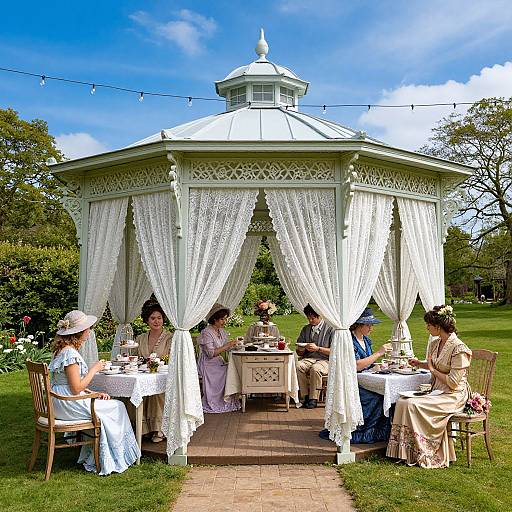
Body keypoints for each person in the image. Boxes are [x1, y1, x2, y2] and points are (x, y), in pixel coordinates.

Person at [48, 310, 140, 475]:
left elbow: (70, 385)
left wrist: (93, 393)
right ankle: (115, 455)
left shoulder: (61, 351)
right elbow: (76, 388)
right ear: (79, 333)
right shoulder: (70, 354)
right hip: (68, 403)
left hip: (60, 402)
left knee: (109, 404)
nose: (89, 332)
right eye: (87, 329)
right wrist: (94, 369)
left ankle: (102, 452)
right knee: (118, 406)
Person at [386, 305, 472, 468]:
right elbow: (437, 365)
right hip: (438, 391)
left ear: (438, 327)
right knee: (403, 401)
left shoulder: (459, 349)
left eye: (429, 325)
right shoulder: (435, 344)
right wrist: (421, 364)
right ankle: (404, 451)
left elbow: (453, 382)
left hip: (453, 395)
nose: (427, 328)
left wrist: (431, 369)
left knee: (411, 404)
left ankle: (424, 450)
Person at [319, 307, 391, 443]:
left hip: (365, 379)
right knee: (377, 396)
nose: (371, 328)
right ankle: (361, 430)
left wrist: (375, 366)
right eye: (369, 325)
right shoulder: (349, 341)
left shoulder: (366, 340)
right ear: (359, 325)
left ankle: (377, 430)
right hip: (351, 383)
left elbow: (366, 363)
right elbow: (356, 365)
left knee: (383, 393)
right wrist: (379, 353)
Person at [135, 300, 173, 443]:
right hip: (144, 375)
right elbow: (136, 358)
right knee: (136, 392)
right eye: (152, 318)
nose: (156, 321)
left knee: (157, 393)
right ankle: (142, 428)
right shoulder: (141, 338)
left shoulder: (170, 337)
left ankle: (159, 429)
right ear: (147, 320)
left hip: (164, 376)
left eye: (159, 318)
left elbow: (171, 358)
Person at [197, 303, 240, 413]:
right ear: (214, 319)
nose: (224, 322)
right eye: (222, 319)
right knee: (230, 371)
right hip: (208, 364)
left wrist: (237, 346)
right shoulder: (207, 332)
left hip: (218, 362)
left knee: (232, 369)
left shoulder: (221, 331)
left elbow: (226, 348)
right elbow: (211, 354)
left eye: (225, 319)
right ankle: (218, 401)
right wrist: (228, 345)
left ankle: (227, 400)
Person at [296, 304, 334, 409]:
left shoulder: (331, 329)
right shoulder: (306, 329)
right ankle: (305, 396)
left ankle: (314, 398)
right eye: (309, 318)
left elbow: (335, 351)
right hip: (309, 358)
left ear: (320, 315)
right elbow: (299, 350)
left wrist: (318, 349)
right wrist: (301, 349)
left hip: (325, 360)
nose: (310, 320)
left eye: (313, 318)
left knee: (315, 369)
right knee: (298, 365)